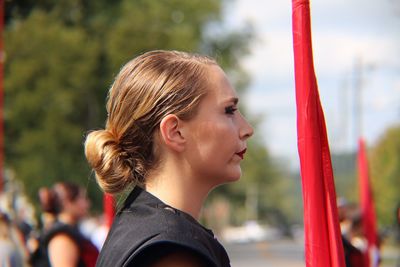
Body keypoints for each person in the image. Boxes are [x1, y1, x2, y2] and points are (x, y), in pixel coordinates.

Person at [84, 50, 253, 267]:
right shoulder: (172, 252)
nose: (247, 129)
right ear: (175, 132)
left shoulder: (142, 223)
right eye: (229, 110)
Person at [30, 182, 99, 267]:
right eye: (82, 198)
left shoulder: (69, 231)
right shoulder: (61, 237)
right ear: (67, 203)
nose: (87, 204)